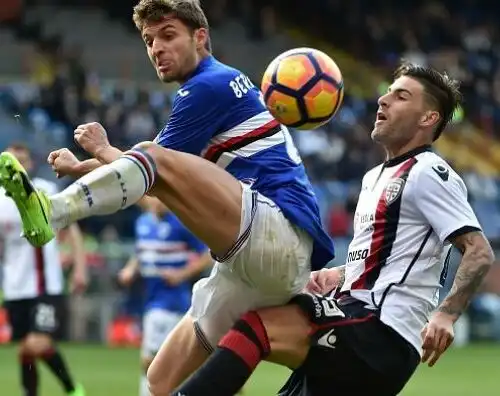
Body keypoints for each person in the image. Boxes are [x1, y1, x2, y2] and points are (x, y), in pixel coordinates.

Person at [0, 0, 334, 394]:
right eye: (148, 40)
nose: (156, 48)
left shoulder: (207, 86)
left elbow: (153, 179)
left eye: (168, 35)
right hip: (252, 262)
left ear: (201, 36)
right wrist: (82, 167)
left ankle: (54, 211)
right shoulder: (221, 85)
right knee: (160, 379)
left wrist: (103, 149)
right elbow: (146, 174)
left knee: (153, 157)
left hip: (276, 232)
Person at [169, 63, 496, 396]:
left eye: (401, 96)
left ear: (428, 118)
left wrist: (446, 314)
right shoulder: (375, 177)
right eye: (387, 91)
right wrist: (342, 274)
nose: (383, 100)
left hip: (381, 333)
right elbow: (393, 258)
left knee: (258, 327)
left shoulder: (428, 171)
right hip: (359, 323)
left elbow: (478, 250)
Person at [0, 143, 88, 396]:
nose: (15, 168)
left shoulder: (44, 190)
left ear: (29, 164)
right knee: (26, 349)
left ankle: (73, 389)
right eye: (10, 162)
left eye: (21, 161)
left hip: (44, 285)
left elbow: (70, 228)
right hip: (14, 288)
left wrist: (80, 267)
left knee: (36, 344)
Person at [118, 197, 212, 396]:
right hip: (152, 300)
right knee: (176, 359)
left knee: (151, 360)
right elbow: (141, 251)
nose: (158, 203)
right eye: (154, 198)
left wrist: (181, 275)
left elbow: (207, 255)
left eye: (162, 198)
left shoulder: (181, 223)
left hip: (171, 302)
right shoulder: (142, 222)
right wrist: (130, 269)